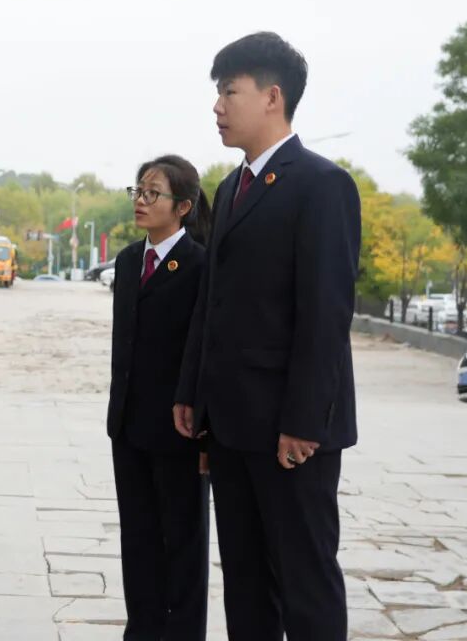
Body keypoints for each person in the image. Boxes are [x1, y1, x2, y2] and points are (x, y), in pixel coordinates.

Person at [173, 32, 362, 640]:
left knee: (305, 582)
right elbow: (213, 303)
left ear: (272, 97)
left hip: (291, 432)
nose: (218, 107)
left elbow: (325, 314)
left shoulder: (321, 184)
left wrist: (304, 423)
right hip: (233, 426)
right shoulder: (231, 188)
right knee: (247, 583)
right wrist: (193, 394)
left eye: (229, 92)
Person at [108, 155, 212, 641]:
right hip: (128, 426)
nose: (141, 201)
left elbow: (202, 348)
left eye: (153, 193)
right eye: (138, 191)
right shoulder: (129, 260)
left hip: (178, 430)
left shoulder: (199, 264)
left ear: (183, 206)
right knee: (138, 539)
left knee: (183, 545)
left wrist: (202, 423)